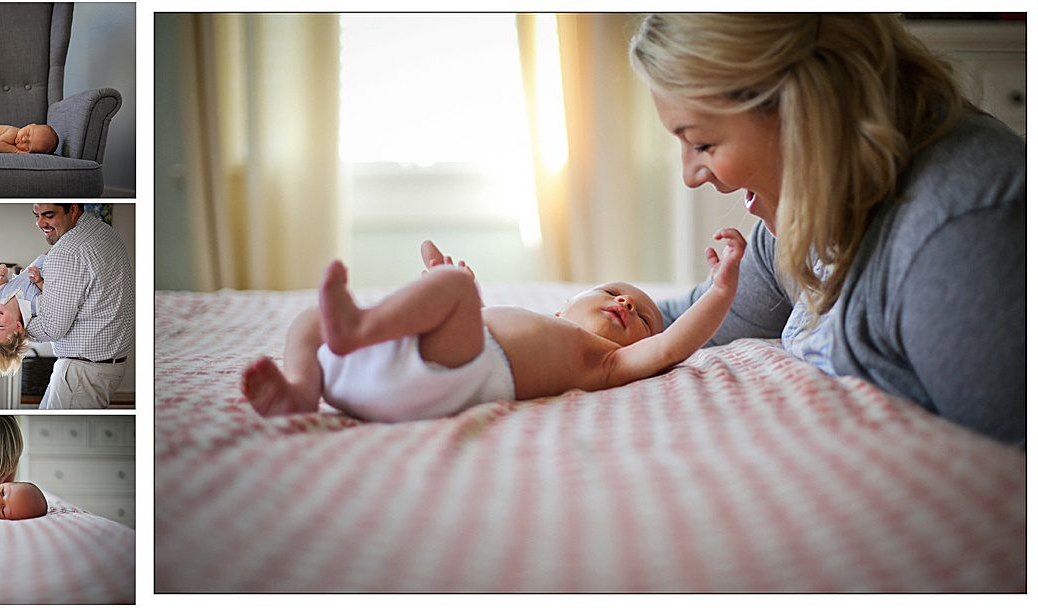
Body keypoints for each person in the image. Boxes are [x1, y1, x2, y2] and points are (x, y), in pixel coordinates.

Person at [629, 14, 1024, 446]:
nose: (690, 175)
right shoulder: (811, 211)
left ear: (801, 110)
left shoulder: (957, 237)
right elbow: (681, 321)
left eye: (702, 143)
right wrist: (578, 327)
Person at [241, 231, 745, 421]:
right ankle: (302, 391)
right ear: (561, 309)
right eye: (612, 292)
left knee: (457, 291)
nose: (625, 305)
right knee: (308, 320)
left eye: (643, 317)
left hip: (457, 376)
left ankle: (359, 326)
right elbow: (472, 326)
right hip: (399, 365)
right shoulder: (539, 322)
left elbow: (675, 344)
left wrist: (721, 291)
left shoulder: (607, 363)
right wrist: (437, 296)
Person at [25, 204, 135, 408]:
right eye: (37, 215)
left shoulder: (66, 252)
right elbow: (88, 295)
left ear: (73, 209)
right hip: (106, 366)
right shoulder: (106, 233)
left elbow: (51, 329)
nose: (40, 223)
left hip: (81, 372)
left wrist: (10, 326)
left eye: (49, 215)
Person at [0, 255, 46, 376]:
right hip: (52, 265)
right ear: (18, 327)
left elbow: (0, 282)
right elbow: (54, 293)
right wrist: (40, 282)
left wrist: (1, 275)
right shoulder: (36, 307)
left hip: (39, 259)